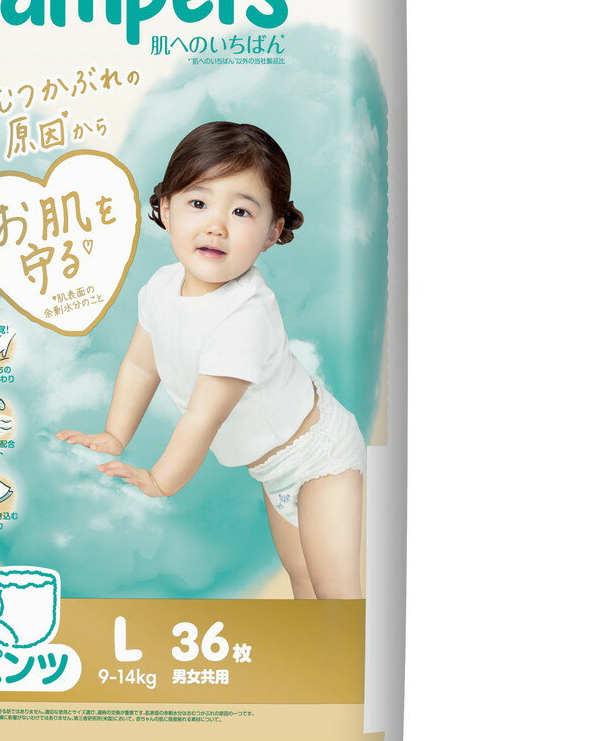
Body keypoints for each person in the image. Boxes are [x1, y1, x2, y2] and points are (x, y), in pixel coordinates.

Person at [55, 122, 367, 600]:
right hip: (272, 468)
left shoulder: (245, 316)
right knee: (302, 579)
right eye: (198, 203)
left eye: (241, 211)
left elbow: (203, 418)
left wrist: (160, 480)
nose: (216, 225)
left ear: (273, 230)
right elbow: (141, 365)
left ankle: (351, 651)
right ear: (165, 208)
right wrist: (116, 434)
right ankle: (315, 649)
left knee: (334, 588)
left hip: (320, 457)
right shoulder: (162, 286)